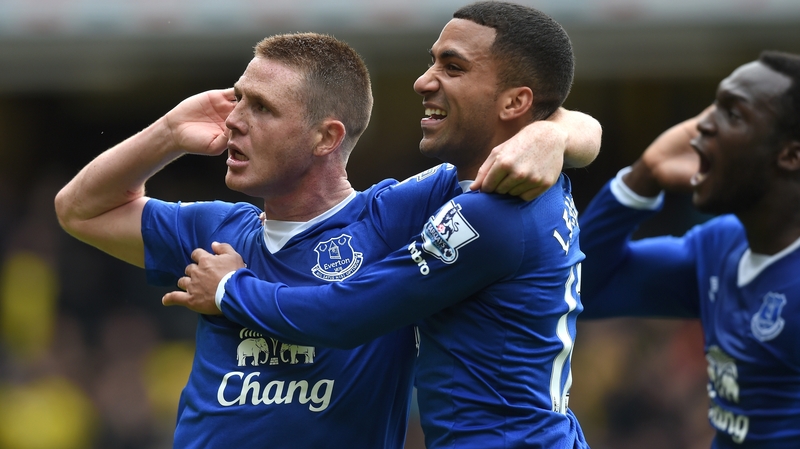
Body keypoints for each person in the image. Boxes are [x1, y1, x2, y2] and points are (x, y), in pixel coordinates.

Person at [55, 28, 600, 449]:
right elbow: (80, 210)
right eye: (238, 100)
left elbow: (546, 122)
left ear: (326, 137)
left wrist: (554, 132)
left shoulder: (396, 218)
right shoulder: (214, 229)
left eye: (262, 108)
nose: (236, 121)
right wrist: (169, 132)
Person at [573, 51, 800, 448]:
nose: (702, 125)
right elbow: (583, 288)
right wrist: (642, 177)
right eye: (712, 106)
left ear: (790, 155)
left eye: (734, 113)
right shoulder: (720, 244)